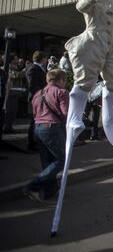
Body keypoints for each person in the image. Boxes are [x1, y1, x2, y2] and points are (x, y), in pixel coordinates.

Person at [23, 69, 69, 202]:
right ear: (60, 80)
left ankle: (49, 190)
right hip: (52, 127)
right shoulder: (61, 92)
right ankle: (33, 186)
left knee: (47, 161)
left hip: (37, 128)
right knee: (61, 161)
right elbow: (65, 113)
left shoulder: (38, 93)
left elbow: (34, 112)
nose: (65, 84)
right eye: (65, 81)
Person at [26, 51, 47, 151]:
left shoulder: (40, 68)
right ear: (42, 59)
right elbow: (32, 86)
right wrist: (40, 96)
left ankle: (36, 142)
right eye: (45, 58)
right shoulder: (33, 68)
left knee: (38, 121)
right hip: (36, 99)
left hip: (40, 98)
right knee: (34, 122)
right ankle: (32, 144)